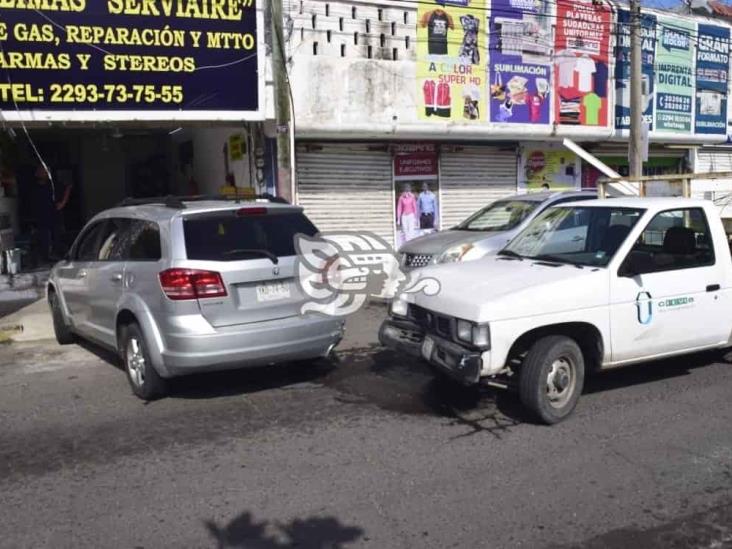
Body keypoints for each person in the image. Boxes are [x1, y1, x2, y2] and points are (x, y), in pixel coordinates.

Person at [32, 162, 71, 262]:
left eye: (45, 171)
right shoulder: (34, 187)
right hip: (41, 217)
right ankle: (46, 257)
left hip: (54, 216)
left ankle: (57, 256)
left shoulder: (53, 184)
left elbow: (68, 187)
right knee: (44, 238)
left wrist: (63, 203)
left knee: (56, 237)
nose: (43, 173)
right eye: (41, 171)